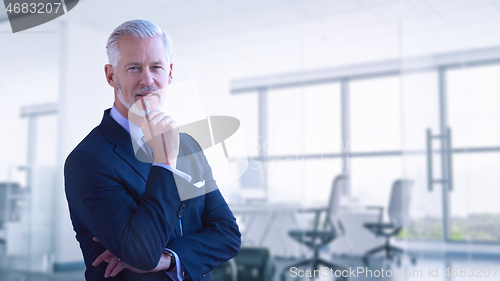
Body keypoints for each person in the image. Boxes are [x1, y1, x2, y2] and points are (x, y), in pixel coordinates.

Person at [64, 19, 241, 281]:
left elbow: (227, 235)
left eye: (156, 67)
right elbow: (142, 253)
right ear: (111, 75)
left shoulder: (189, 145)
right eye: (134, 68)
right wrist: (165, 162)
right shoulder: (88, 160)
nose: (148, 80)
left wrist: (169, 259)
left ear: (169, 73)